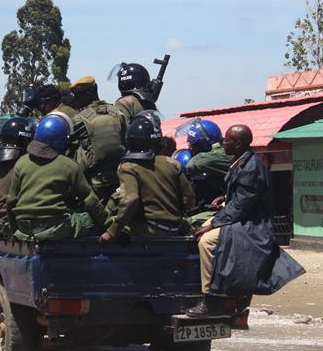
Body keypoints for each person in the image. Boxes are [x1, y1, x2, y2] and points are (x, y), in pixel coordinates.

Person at [187, 125, 304, 317]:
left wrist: (213, 223)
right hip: (244, 217)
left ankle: (212, 299)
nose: (223, 143)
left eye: (227, 140)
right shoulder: (242, 161)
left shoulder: (251, 167)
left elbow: (241, 206)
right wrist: (225, 199)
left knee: (207, 242)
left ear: (238, 143)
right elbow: (241, 196)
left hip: (252, 224)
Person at [6, 115, 107, 240]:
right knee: (88, 218)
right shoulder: (69, 165)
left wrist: (14, 231)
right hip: (54, 228)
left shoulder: (21, 162)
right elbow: (90, 200)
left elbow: (10, 201)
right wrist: (110, 225)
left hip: (24, 229)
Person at [99, 117, 195, 243]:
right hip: (175, 227)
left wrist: (112, 231)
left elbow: (131, 200)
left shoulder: (128, 167)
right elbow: (189, 197)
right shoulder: (171, 163)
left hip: (148, 230)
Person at [67, 76, 127, 203]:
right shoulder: (117, 113)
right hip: (119, 180)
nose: (76, 99)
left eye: (78, 95)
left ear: (89, 93)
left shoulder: (79, 120)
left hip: (94, 183)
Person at [184, 119, 233, 207]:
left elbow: (190, 165)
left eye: (193, 145)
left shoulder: (217, 156)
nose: (190, 148)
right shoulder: (216, 155)